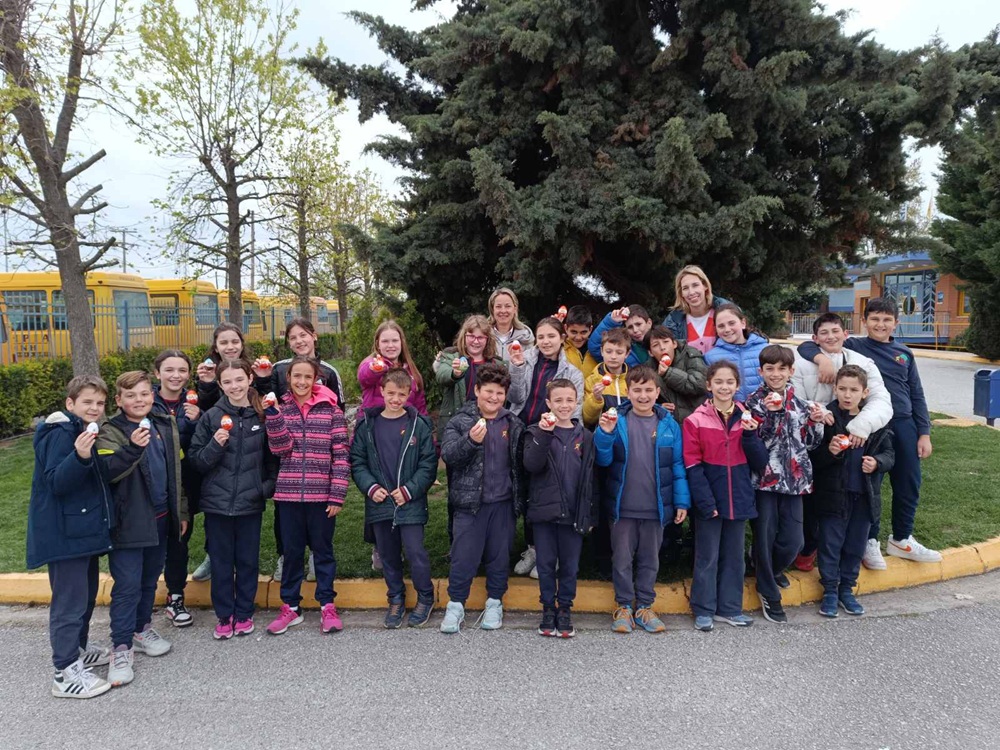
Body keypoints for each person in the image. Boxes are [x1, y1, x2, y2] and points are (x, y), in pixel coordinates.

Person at [797, 298, 939, 568]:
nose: (880, 324)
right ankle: (869, 540)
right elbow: (809, 344)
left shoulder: (904, 353)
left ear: (896, 323)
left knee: (909, 481)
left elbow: (917, 393)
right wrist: (821, 359)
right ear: (864, 322)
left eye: (887, 320)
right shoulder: (854, 345)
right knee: (869, 480)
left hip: (903, 421)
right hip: (870, 424)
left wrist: (924, 432)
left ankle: (902, 537)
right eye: (874, 319)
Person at [97, 371, 187, 687]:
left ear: (153, 396)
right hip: (129, 522)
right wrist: (133, 448)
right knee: (128, 586)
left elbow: (175, 471)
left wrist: (181, 510)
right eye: (131, 395)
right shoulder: (111, 431)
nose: (139, 400)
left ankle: (141, 629)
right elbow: (108, 473)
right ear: (119, 400)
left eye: (145, 394)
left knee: (149, 580)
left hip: (161, 518)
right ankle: (120, 647)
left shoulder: (163, 424)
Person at [27, 375, 114, 699]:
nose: (94, 408)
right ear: (70, 403)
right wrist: (79, 456)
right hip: (64, 534)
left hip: (82, 530)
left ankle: (78, 649)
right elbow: (56, 482)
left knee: (86, 595)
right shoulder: (59, 433)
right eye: (87, 402)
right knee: (70, 603)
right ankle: (64, 672)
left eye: (100, 403)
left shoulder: (82, 430)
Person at [790, 313, 893, 571]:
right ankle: (810, 544)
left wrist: (861, 426)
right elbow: (796, 400)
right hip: (813, 434)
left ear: (845, 334)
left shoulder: (863, 363)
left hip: (854, 434)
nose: (831, 337)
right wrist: (817, 411)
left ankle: (862, 544)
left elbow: (881, 399)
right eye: (824, 333)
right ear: (815, 338)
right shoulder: (801, 364)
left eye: (835, 331)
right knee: (813, 493)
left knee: (856, 491)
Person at [594, 366, 690, 634]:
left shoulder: (669, 424)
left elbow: (678, 465)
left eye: (649, 390)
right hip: (623, 507)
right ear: (628, 392)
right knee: (622, 559)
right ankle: (624, 605)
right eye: (637, 390)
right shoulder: (616, 420)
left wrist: (681, 502)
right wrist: (605, 434)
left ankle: (645, 606)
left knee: (650, 559)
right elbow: (603, 460)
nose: (643, 395)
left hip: (655, 508)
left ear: (658, 392)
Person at [189, 359, 277, 639]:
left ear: (250, 379)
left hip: (250, 502)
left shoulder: (261, 415)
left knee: (248, 561)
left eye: (239, 379)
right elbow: (196, 461)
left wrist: (264, 488)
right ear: (220, 385)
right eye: (227, 382)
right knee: (221, 562)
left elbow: (273, 459)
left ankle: (244, 613)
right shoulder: (211, 417)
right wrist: (215, 445)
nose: (234, 386)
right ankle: (224, 615)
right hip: (217, 504)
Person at [263, 355, 350, 636]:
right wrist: (273, 416)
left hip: (321, 497)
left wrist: (337, 495)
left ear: (316, 380)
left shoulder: (332, 411)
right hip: (288, 496)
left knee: (323, 552)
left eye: (307, 377)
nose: (302, 381)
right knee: (291, 553)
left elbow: (341, 455)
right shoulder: (281, 408)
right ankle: (291, 606)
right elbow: (280, 449)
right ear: (288, 378)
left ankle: (327, 605)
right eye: (297, 376)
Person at [255, 318, 346, 583]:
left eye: (303, 335)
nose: (299, 341)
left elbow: (338, 407)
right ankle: (285, 555)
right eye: (293, 337)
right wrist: (263, 381)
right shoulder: (279, 368)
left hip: (318, 450)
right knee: (285, 510)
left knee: (319, 512)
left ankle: (316, 556)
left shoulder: (329, 371)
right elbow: (270, 401)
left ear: (314, 336)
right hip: (285, 451)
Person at [439, 363, 526, 634]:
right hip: (469, 505)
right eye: (488, 391)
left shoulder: (513, 423)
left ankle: (494, 602)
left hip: (503, 504)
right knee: (463, 557)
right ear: (477, 390)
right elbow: (449, 456)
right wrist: (470, 441)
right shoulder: (460, 421)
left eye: (500, 393)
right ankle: (455, 605)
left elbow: (521, 464)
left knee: (499, 557)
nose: (494, 397)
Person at [350, 368, 438, 629]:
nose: (396, 399)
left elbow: (428, 464)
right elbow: (358, 461)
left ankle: (426, 597)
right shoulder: (367, 425)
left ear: (409, 395)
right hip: (379, 501)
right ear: (382, 392)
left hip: (409, 502)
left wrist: (410, 490)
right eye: (391, 393)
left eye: (401, 394)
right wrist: (370, 487)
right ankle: (396, 599)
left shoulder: (419, 425)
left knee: (415, 552)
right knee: (388, 555)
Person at [684, 361, 768, 632]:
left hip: (739, 496)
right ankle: (703, 609)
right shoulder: (695, 420)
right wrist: (705, 501)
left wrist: (751, 435)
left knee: (734, 557)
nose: (724, 387)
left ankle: (730, 608)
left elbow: (760, 462)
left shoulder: (748, 418)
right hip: (710, 497)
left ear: (737, 386)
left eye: (730, 382)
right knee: (707, 556)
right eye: (718, 382)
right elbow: (692, 465)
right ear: (708, 385)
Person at [743, 345, 824, 623]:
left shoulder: (801, 404)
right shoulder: (753, 403)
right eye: (769, 369)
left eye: (781, 369)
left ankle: (765, 564)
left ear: (791, 371)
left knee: (793, 541)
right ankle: (768, 590)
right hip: (765, 480)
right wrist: (773, 414)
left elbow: (811, 443)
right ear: (760, 371)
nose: (775, 374)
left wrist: (815, 423)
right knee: (765, 536)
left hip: (795, 482)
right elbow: (758, 444)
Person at [810, 365, 895, 618]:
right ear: (834, 389)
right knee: (830, 543)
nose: (847, 395)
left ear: (865, 392)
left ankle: (847, 588)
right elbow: (813, 458)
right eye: (843, 389)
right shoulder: (828, 419)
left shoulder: (874, 422)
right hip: (833, 495)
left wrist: (877, 463)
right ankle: (829, 590)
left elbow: (890, 455)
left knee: (855, 545)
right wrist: (831, 452)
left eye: (854, 390)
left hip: (864, 496)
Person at [507, 316, 585, 579]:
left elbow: (575, 410)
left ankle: (551, 553)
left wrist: (567, 439)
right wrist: (517, 368)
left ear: (562, 338)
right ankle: (532, 548)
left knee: (548, 491)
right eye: (541, 337)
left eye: (551, 336)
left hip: (552, 437)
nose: (546, 341)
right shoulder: (524, 359)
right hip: (523, 433)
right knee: (527, 490)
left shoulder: (572, 372)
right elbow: (515, 397)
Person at [522, 379, 597, 637]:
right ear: (548, 403)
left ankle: (564, 608)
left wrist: (590, 514)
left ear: (577, 401)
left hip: (574, 513)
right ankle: (547, 608)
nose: (564, 405)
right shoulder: (536, 432)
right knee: (545, 564)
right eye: (558, 400)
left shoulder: (585, 436)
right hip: (544, 513)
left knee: (569, 565)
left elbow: (591, 478)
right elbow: (531, 465)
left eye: (569, 400)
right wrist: (544, 434)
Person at [191, 322, 249, 582]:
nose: (230, 346)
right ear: (215, 347)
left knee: (245, 512)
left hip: (246, 447)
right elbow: (206, 411)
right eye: (223, 342)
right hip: (217, 444)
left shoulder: (248, 370)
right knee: (215, 504)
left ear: (242, 344)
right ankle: (212, 555)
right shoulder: (207, 372)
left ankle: (241, 559)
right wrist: (206, 385)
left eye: (234, 341)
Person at [152, 350, 201, 629]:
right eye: (169, 370)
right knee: (149, 543)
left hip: (185, 485)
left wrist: (196, 421)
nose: (176, 375)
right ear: (157, 373)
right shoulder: (146, 401)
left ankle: (175, 596)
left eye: (182, 370)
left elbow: (198, 445)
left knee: (179, 541)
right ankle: (141, 596)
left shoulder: (193, 402)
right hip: (153, 484)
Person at [434, 314, 506, 444]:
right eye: (471, 336)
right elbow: (441, 375)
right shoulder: (452, 356)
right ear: (464, 336)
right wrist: (455, 373)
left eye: (480, 337)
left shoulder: (497, 363)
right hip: (457, 423)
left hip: (488, 423)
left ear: (488, 339)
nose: (476, 341)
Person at [357, 320, 428, 415]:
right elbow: (364, 376)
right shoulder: (372, 363)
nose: (390, 345)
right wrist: (375, 369)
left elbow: (420, 408)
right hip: (375, 423)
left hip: (405, 423)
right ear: (378, 344)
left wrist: (424, 423)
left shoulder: (411, 371)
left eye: (395, 341)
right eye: (385, 341)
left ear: (401, 342)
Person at [703, 303, 769, 402]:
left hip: (764, 409)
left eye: (731, 323)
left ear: (743, 323)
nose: (727, 329)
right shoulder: (710, 357)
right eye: (721, 326)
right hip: (729, 411)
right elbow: (709, 393)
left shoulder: (765, 349)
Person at [662, 265, 731, 354]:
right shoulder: (673, 322)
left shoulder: (726, 310)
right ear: (681, 293)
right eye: (685, 288)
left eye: (695, 285)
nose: (691, 292)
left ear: (705, 286)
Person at [648, 324, 708, 423]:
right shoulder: (648, 370)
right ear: (650, 352)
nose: (662, 347)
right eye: (655, 345)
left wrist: (668, 373)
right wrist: (658, 407)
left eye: (666, 342)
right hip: (670, 425)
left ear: (674, 344)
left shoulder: (690, 355)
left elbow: (700, 385)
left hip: (698, 421)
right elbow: (645, 399)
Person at [582, 327, 632, 429]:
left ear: (627, 354)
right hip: (604, 433)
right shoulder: (593, 380)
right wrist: (595, 399)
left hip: (630, 434)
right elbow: (587, 419)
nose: (613, 356)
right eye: (608, 351)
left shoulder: (634, 379)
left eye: (619, 352)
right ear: (602, 351)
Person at [587, 304, 654, 367]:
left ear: (649, 323)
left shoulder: (660, 340)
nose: (635, 330)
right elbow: (595, 348)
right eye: (630, 327)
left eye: (638, 324)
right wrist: (611, 322)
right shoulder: (624, 347)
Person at [488, 286, 535, 358]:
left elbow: (530, 364)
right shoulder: (483, 335)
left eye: (508, 306)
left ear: (515, 309)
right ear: (492, 309)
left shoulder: (525, 337)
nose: (503, 311)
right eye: (498, 306)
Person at [561, 305, 599, 378]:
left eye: (583, 332)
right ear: (566, 328)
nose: (578, 337)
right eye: (574, 332)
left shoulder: (598, 350)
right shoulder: (559, 349)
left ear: (590, 329)